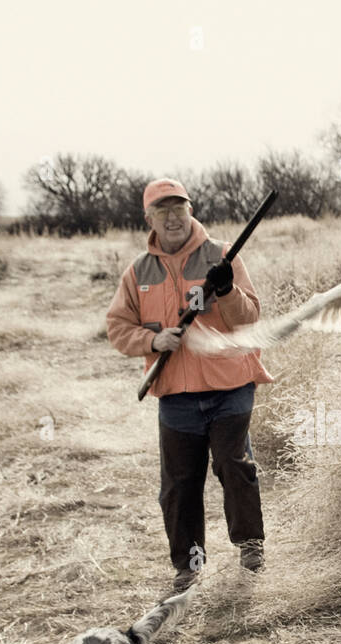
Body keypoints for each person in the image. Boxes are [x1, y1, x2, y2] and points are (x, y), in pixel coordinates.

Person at [106, 178, 273, 592]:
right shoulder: (138, 272)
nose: (172, 217)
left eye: (179, 208)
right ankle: (189, 565)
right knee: (180, 485)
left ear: (191, 210)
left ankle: (250, 547)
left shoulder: (221, 255)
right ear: (149, 219)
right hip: (176, 395)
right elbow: (117, 327)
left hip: (231, 385)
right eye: (162, 210)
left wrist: (228, 289)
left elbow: (249, 320)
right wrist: (153, 340)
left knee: (234, 466)